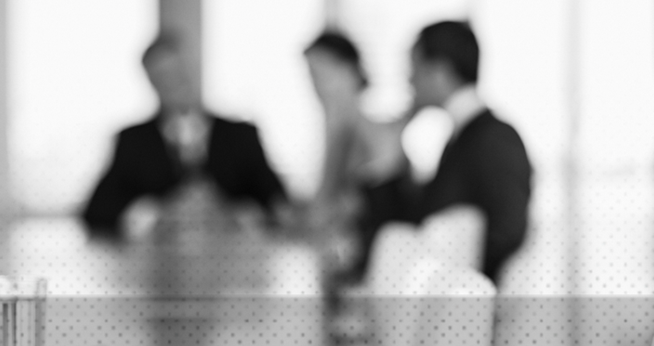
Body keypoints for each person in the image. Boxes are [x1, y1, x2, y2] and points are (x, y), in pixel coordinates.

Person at [364, 20, 532, 282]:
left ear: (439, 71)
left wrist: (452, 278)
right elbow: (419, 220)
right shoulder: (461, 137)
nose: (409, 80)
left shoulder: (495, 139)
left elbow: (507, 231)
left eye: (414, 69)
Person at [81, 32, 288, 237]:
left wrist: (230, 214)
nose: (174, 83)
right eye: (163, 77)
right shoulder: (132, 140)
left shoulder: (241, 135)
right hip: (158, 265)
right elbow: (97, 212)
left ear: (194, 71)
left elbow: (278, 205)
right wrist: (157, 214)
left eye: (179, 72)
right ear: (151, 82)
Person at [302, 31, 410, 275]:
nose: (316, 86)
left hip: (375, 272)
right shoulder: (342, 130)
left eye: (321, 74)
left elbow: (332, 210)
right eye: (311, 76)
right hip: (356, 263)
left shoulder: (366, 134)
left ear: (350, 72)